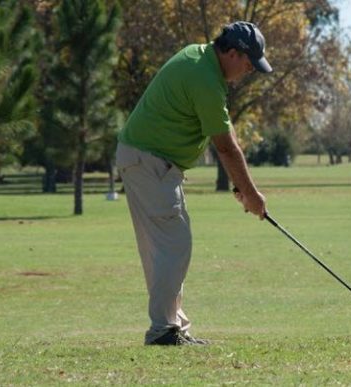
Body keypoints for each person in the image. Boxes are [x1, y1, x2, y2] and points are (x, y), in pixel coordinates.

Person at [115, 21, 272, 346]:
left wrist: (242, 188)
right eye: (247, 63)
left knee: (165, 248)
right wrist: (252, 195)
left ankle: (172, 329)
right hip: (150, 162)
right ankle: (163, 330)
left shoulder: (198, 58)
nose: (248, 71)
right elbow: (226, 146)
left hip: (147, 161)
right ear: (232, 53)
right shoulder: (205, 78)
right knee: (175, 244)